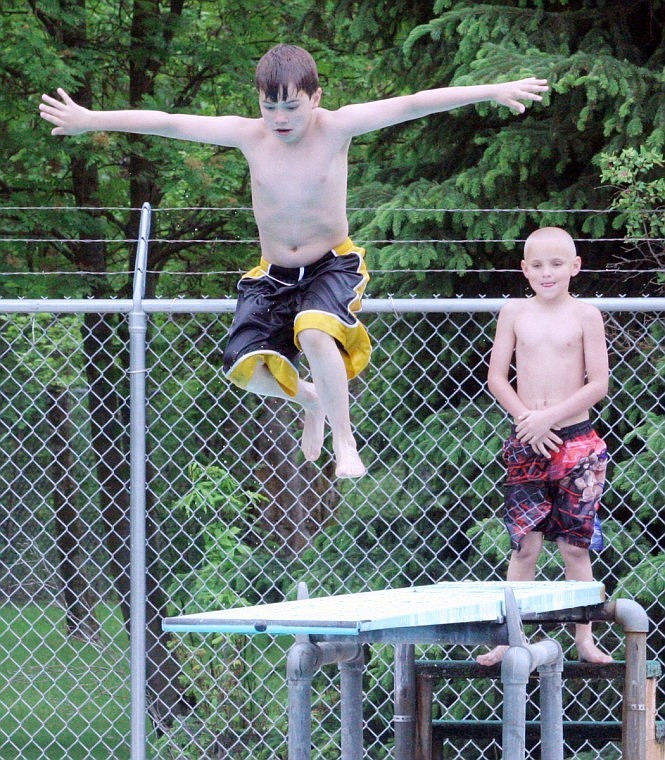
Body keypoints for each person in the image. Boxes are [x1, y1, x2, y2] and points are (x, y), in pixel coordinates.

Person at [39, 44, 548, 478]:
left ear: (316, 99)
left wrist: (491, 91)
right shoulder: (248, 135)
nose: (280, 120)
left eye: (292, 108)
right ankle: (310, 400)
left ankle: (345, 441)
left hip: (332, 265)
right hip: (273, 274)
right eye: (270, 108)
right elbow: (170, 123)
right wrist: (91, 120)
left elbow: (413, 103)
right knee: (245, 368)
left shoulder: (338, 127)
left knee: (313, 330)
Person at [476, 226, 613, 666]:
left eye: (556, 264)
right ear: (524, 270)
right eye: (536, 265)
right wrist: (526, 420)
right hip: (527, 439)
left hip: (575, 442)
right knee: (525, 546)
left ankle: (584, 638)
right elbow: (497, 376)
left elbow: (599, 384)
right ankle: (508, 637)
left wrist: (550, 418)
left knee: (576, 546)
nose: (546, 272)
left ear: (575, 267)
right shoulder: (514, 312)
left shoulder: (586, 315)